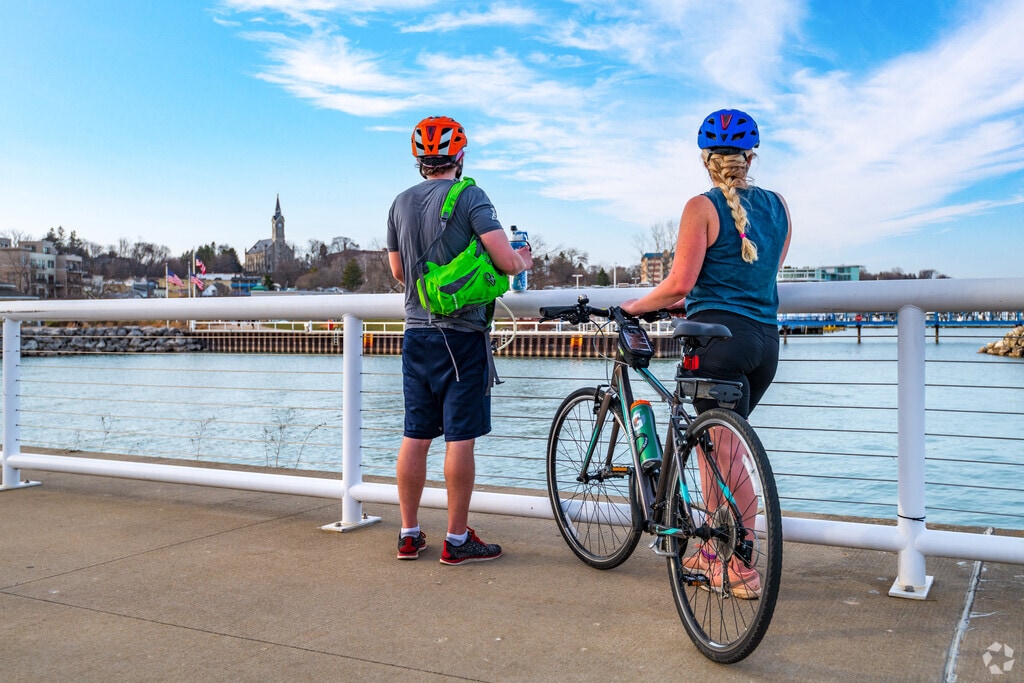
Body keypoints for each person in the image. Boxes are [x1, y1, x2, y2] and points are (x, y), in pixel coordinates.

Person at [622, 108, 791, 598]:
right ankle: (724, 552)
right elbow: (762, 272)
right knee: (729, 450)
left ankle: (735, 566)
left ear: (706, 160)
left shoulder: (702, 207)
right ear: (750, 157)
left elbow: (679, 283)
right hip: (764, 343)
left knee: (719, 457)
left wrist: (632, 305)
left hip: (717, 344)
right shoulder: (778, 206)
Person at [386, 115, 532, 565]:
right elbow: (505, 261)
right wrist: (522, 256)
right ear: (460, 156)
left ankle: (409, 534)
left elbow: (397, 272)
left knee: (416, 435)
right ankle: (455, 540)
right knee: (460, 439)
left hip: (415, 334)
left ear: (419, 160)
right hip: (462, 335)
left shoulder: (399, 203)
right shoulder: (470, 195)